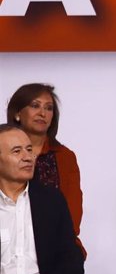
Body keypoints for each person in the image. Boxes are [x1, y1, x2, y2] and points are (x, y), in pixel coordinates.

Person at [0, 124, 99, 274]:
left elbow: (70, 257)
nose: (28, 157)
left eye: (29, 149)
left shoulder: (52, 200)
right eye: (17, 151)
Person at [6, 84, 85, 257]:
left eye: (49, 108)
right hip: (7, 249)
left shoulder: (65, 156)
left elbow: (73, 214)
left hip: (56, 249)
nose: (42, 113)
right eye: (35, 106)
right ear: (17, 113)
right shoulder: (2, 152)